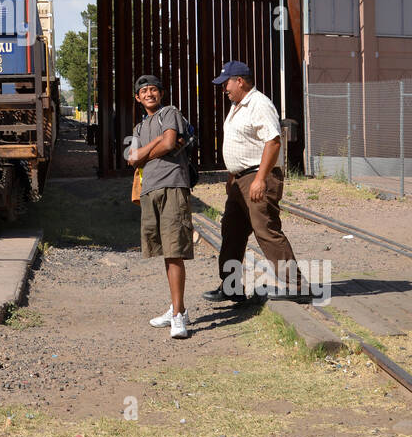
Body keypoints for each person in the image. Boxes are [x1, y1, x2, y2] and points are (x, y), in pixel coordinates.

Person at [203, 60, 304, 303]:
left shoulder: (259, 103)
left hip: (258, 176)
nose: (223, 88)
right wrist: (232, 176)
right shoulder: (238, 105)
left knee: (265, 230)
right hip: (240, 180)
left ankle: (299, 287)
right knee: (232, 232)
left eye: (226, 83)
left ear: (239, 81)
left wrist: (260, 179)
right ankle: (231, 286)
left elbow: (273, 141)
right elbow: (242, 145)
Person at [125, 74, 193, 339]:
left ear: (161, 94)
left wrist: (145, 152)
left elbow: (168, 143)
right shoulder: (140, 127)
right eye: (144, 91)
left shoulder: (169, 113)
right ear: (137, 97)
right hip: (150, 190)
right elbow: (132, 158)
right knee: (165, 251)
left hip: (173, 185)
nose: (149, 94)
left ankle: (178, 317)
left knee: (174, 250)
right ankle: (178, 309)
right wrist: (151, 149)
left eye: (154, 89)